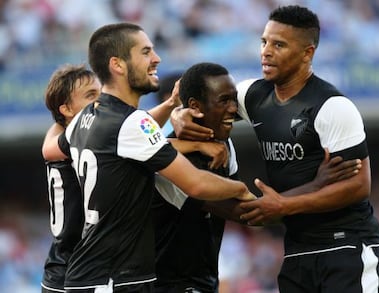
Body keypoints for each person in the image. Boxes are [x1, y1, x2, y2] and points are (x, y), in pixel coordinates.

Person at [170, 5, 379, 293]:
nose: (266, 51)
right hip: (297, 249)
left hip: (347, 245)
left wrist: (285, 205)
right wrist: (180, 114)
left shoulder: (333, 106)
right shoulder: (252, 95)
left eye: (279, 44)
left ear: (307, 53)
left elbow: (359, 186)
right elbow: (203, 101)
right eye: (264, 42)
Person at [41, 23, 257, 293]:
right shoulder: (130, 123)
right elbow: (197, 184)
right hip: (114, 278)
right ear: (118, 65)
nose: (156, 59)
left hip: (91, 274)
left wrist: (172, 112)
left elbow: (58, 148)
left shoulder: (83, 118)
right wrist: (243, 189)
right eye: (145, 52)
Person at [154, 62, 363, 293]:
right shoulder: (174, 161)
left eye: (234, 99)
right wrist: (316, 184)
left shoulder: (223, 145)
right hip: (168, 283)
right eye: (224, 100)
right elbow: (250, 214)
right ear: (195, 106)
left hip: (202, 280)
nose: (234, 109)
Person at [41, 64, 101, 293]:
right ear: (66, 108)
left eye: (100, 93)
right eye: (91, 95)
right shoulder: (84, 139)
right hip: (78, 273)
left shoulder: (58, 136)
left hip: (58, 268)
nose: (101, 101)